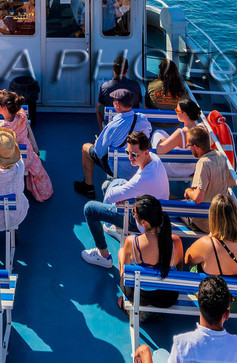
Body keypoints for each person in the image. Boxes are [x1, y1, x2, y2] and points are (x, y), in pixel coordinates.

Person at [80, 131, 169, 268]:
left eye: (134, 155)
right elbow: (133, 187)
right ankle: (114, 225)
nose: (130, 158)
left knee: (90, 209)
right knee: (109, 185)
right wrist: (124, 192)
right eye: (128, 152)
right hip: (155, 212)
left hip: (141, 222)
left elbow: (110, 197)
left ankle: (103, 255)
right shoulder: (154, 159)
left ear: (146, 152)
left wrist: (120, 196)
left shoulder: (142, 180)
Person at [130, 276, 237, 363]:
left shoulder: (182, 344)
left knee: (146, 351)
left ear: (199, 305)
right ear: (227, 314)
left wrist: (146, 355)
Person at [183, 194, 237, 313]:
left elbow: (188, 260)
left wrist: (209, 238)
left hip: (213, 302)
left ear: (213, 218)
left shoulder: (206, 244)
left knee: (195, 266)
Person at [76, 88, 152, 198]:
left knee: (86, 148)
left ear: (117, 105)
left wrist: (98, 142)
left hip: (118, 170)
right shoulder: (142, 119)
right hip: (139, 166)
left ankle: (88, 188)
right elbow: (147, 135)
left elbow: (99, 152)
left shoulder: (112, 126)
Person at [115, 194, 183, 312]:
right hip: (167, 298)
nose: (133, 214)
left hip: (139, 297)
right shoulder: (175, 241)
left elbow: (126, 275)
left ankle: (126, 304)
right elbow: (180, 268)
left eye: (134, 213)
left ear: (143, 222)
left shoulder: (132, 242)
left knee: (121, 252)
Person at [0, 89, 53, 201]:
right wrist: (6, 96)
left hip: (10, 164)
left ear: (4, 108)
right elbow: (19, 108)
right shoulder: (23, 117)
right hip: (26, 160)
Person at [182, 126, 236, 231]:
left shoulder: (203, 163)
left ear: (196, 147)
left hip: (203, 222)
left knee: (172, 208)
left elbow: (198, 199)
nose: (189, 148)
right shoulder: (221, 156)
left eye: (189, 146)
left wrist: (188, 191)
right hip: (219, 220)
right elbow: (231, 181)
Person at [97, 53, 143, 128]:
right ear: (126, 71)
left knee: (99, 106)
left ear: (113, 69)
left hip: (112, 123)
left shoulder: (104, 86)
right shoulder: (135, 85)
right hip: (131, 124)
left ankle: (103, 130)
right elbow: (139, 103)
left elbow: (99, 108)